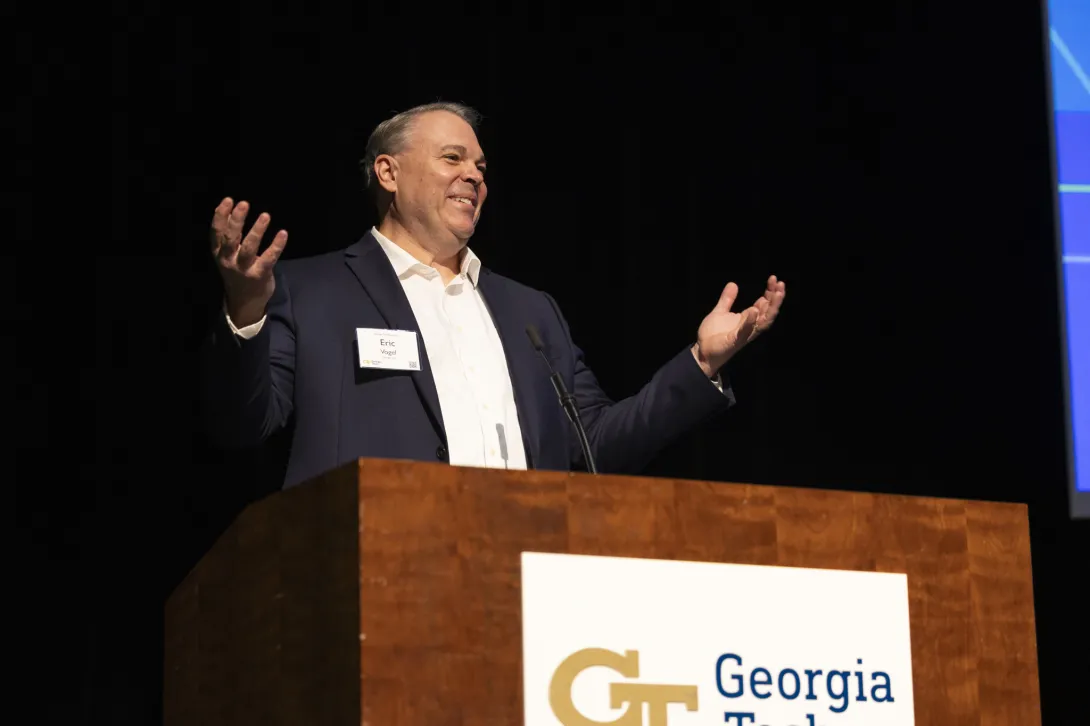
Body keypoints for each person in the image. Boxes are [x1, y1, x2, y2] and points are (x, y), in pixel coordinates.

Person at [203, 102, 786, 489]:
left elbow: (595, 448)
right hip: (373, 574)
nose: (475, 176)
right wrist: (246, 310)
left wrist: (701, 364)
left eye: (481, 165)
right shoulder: (311, 291)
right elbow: (244, 424)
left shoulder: (530, 313)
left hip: (526, 576)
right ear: (388, 173)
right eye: (452, 158)